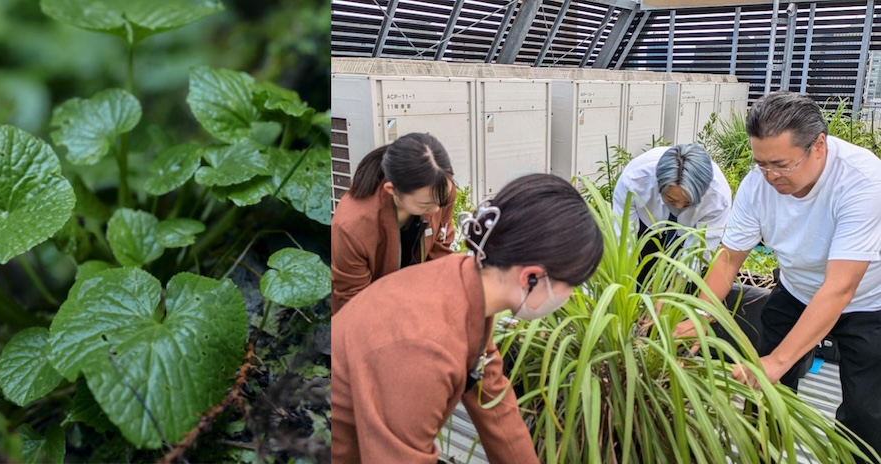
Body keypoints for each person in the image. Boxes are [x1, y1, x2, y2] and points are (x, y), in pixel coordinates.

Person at [331, 173, 605, 463]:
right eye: (571, 285)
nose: (570, 296)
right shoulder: (424, 344)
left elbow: (494, 401)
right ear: (532, 277)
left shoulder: (466, 281)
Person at [690, 91, 881, 460]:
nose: (770, 176)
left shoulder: (863, 181)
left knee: (866, 413)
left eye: (781, 164)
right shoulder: (756, 184)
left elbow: (840, 288)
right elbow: (728, 261)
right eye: (760, 163)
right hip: (796, 291)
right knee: (765, 395)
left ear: (819, 146)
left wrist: (778, 362)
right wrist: (696, 316)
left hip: (867, 303)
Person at [331, 132, 456, 314]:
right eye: (425, 204)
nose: (437, 210)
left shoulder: (439, 194)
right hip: (369, 314)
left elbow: (440, 255)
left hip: (416, 305)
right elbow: (353, 298)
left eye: (442, 200)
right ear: (392, 190)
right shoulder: (352, 226)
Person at [612, 143, 732, 281]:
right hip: (645, 224)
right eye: (671, 200)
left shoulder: (717, 197)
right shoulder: (634, 181)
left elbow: (696, 254)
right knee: (638, 275)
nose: (679, 207)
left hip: (689, 230)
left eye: (687, 203)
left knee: (682, 285)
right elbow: (624, 240)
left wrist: (670, 295)